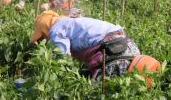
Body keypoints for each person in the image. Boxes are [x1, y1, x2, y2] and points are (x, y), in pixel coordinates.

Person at [30, 11, 161, 84]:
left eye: (41, 37)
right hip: (127, 45)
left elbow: (63, 59)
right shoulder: (69, 21)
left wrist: (59, 78)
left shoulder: (56, 30)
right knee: (136, 84)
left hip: (111, 53)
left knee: (102, 92)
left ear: (44, 30)